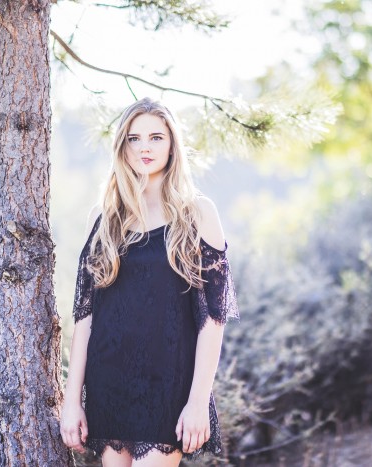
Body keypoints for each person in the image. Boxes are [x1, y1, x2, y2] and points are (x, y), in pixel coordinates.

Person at [59, 96, 240, 467]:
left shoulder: (199, 213)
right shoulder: (104, 217)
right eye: (134, 138)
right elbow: (85, 318)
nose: (144, 147)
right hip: (108, 384)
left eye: (156, 137)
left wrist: (197, 401)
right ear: (122, 146)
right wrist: (72, 401)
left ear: (172, 144)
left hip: (168, 386)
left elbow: (214, 319)